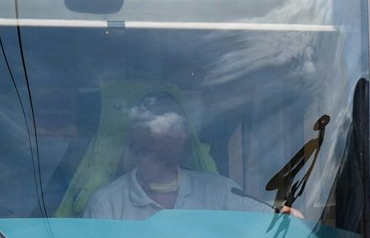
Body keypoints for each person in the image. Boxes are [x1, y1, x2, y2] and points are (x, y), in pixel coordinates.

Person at [83, 92, 283, 220]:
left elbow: (272, 221)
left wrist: (286, 218)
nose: (178, 134)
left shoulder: (221, 191)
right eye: (166, 125)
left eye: (180, 125)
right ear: (137, 138)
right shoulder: (106, 204)